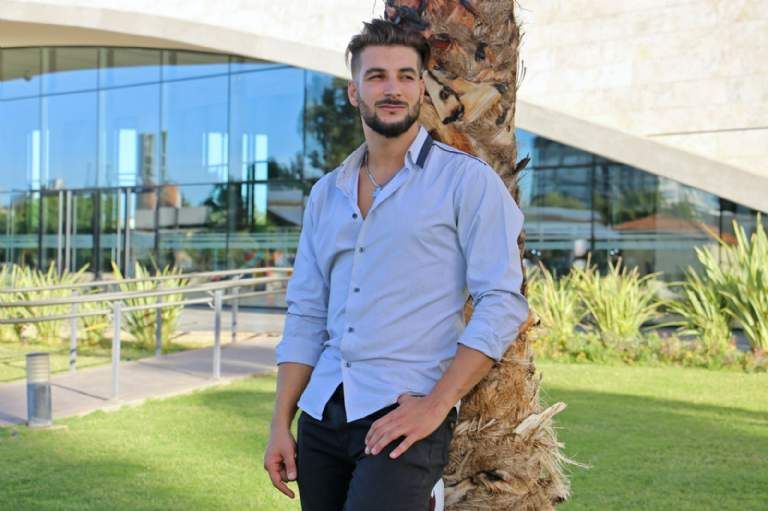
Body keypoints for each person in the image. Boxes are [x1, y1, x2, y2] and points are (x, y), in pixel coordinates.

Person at [263, 18, 528, 511]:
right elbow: (306, 313)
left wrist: (436, 405)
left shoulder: (465, 181)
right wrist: (281, 422)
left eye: (406, 76)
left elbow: (501, 302)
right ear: (354, 92)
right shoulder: (326, 194)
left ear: (421, 89)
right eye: (377, 76)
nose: (392, 89)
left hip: (404, 416)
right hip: (322, 413)